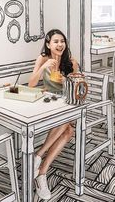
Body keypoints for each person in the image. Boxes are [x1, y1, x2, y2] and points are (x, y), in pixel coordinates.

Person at [28, 29, 78, 200]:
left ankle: (39, 160)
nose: (60, 44)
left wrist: (69, 81)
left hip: (67, 105)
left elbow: (77, 89)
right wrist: (42, 67)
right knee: (68, 129)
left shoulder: (71, 62)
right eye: (56, 41)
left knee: (67, 125)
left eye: (62, 41)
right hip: (48, 106)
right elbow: (32, 84)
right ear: (48, 44)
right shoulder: (43, 59)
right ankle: (41, 171)